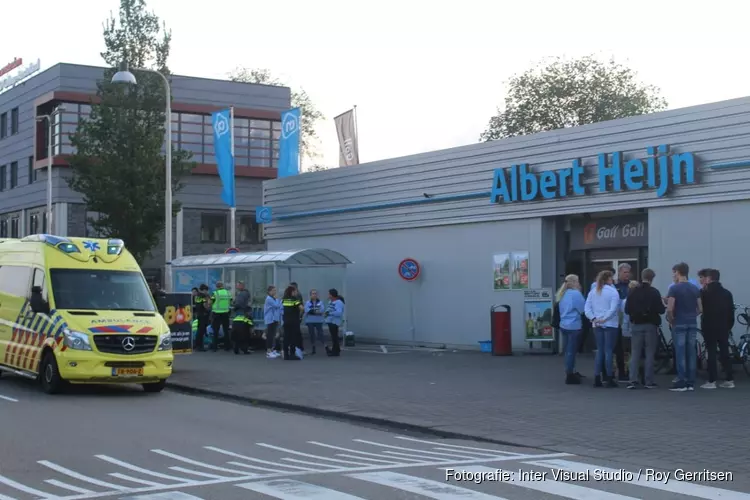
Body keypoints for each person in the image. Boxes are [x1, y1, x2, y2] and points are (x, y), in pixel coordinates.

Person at [624, 269, 665, 389]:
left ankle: (633, 380)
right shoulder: (654, 292)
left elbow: (627, 310)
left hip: (636, 325)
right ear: (652, 279)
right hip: (651, 325)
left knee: (635, 353)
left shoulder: (633, 292)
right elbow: (661, 310)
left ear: (641, 277)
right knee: (649, 353)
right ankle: (648, 381)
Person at [667, 262, 702, 392]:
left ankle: (681, 380)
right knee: (691, 352)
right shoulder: (695, 288)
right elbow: (701, 308)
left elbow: (670, 308)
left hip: (679, 322)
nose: (673, 275)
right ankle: (690, 382)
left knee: (680, 352)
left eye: (674, 273)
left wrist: (672, 320)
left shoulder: (674, 288)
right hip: (692, 322)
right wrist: (693, 315)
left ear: (677, 272)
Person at [699, 268, 735, 389]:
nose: (701, 280)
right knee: (725, 352)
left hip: (709, 326)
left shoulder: (704, 293)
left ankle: (712, 380)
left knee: (711, 352)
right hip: (724, 327)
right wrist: (728, 326)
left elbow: (700, 309)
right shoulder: (727, 293)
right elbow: (731, 313)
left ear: (708, 278)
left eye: (703, 277)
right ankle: (729, 379)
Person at [585, 271, 620, 388]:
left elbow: (587, 308)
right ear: (609, 278)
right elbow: (614, 308)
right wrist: (604, 318)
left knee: (600, 350)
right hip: (610, 324)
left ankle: (597, 377)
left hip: (596, 324)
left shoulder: (593, 292)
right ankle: (609, 377)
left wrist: (594, 318)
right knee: (608, 350)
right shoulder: (613, 292)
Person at [556, 274, 585, 385]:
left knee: (568, 351)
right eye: (578, 281)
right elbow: (583, 309)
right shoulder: (576, 294)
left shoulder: (562, 294)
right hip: (574, 325)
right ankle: (570, 374)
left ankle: (570, 370)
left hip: (564, 325)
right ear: (574, 282)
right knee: (571, 352)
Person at [281, 286, 304, 360]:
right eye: (295, 291)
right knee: (293, 337)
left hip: (286, 321)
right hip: (294, 321)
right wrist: (300, 315)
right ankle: (292, 354)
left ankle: (286, 354)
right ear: (292, 292)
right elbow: (302, 308)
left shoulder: (284, 299)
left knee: (286, 337)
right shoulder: (295, 299)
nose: (296, 292)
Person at [210, 281, 232, 352]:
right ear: (222, 285)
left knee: (215, 331)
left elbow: (210, 302)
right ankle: (227, 347)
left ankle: (214, 347)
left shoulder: (215, 293)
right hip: (225, 313)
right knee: (226, 330)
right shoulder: (228, 293)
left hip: (216, 313)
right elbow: (231, 301)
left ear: (217, 286)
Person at [305, 289, 326, 354]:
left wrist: (312, 311)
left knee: (320, 334)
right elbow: (307, 310)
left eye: (315, 293)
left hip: (318, 321)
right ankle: (313, 346)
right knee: (312, 334)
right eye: (313, 294)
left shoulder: (320, 302)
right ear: (310, 295)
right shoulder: (307, 302)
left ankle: (325, 346)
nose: (314, 295)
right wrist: (316, 311)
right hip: (310, 321)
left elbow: (322, 310)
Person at [264, 286, 281, 359]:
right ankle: (268, 351)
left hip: (274, 319)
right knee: (270, 335)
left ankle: (272, 349)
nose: (275, 292)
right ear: (269, 291)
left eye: (275, 290)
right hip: (270, 319)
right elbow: (277, 305)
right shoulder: (269, 299)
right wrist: (277, 299)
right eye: (273, 290)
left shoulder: (273, 298)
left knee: (273, 335)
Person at [192, 284, 210, 352]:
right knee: (201, 331)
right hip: (204, 314)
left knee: (199, 330)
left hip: (199, 314)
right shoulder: (204, 296)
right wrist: (208, 308)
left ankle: (197, 344)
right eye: (206, 290)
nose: (207, 292)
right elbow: (205, 305)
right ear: (204, 290)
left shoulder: (197, 296)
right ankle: (200, 346)